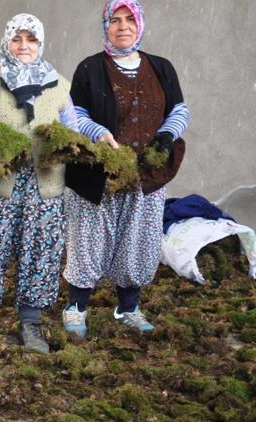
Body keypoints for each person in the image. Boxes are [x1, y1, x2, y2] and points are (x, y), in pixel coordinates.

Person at [62, 0, 191, 339]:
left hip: (146, 173)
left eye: (129, 19)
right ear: (105, 26)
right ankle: (77, 307)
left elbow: (180, 110)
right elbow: (75, 114)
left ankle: (128, 308)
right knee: (89, 238)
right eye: (115, 20)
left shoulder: (161, 67)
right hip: (99, 171)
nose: (122, 26)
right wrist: (99, 134)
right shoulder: (89, 68)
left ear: (140, 24)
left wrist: (166, 136)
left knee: (138, 238)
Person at [0, 14, 78, 353]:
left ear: (41, 44)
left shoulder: (59, 85)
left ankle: (31, 321)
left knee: (41, 251)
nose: (24, 46)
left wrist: (65, 143)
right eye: (17, 39)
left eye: (31, 40)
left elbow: (73, 128)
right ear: (6, 41)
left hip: (44, 184)